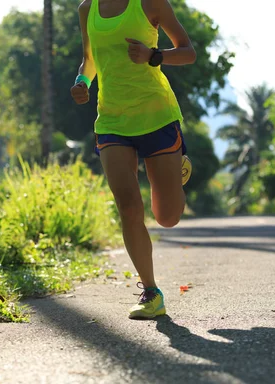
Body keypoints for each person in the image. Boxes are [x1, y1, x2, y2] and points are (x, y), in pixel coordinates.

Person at [70, 0, 196, 319]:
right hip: (112, 120)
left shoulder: (151, 3)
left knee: (167, 216)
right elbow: (89, 60)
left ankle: (177, 171)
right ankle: (151, 292)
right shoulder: (88, 9)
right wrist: (82, 83)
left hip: (157, 116)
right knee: (128, 206)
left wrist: (154, 55)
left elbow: (187, 51)